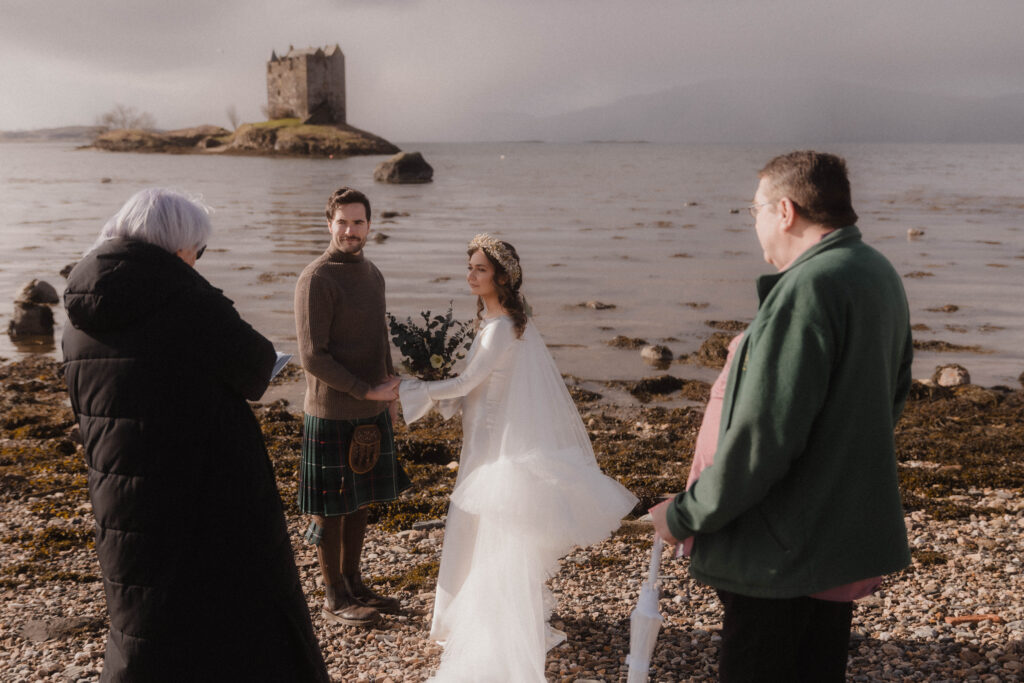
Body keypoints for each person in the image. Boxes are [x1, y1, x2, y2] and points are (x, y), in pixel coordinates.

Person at [650, 151, 914, 682]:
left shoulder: (809, 287)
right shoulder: (876, 271)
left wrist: (682, 515)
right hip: (831, 536)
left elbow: (764, 438)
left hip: (779, 551)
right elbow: (892, 396)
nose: (755, 225)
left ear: (785, 211)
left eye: (754, 212)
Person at [62, 188, 329, 682]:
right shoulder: (186, 299)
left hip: (119, 489)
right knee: (240, 612)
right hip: (204, 488)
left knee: (143, 615)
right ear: (178, 245)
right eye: (197, 250)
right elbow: (254, 368)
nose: (197, 259)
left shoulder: (80, 314)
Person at [399, 234, 638, 682]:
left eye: (480, 270)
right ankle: (461, 613)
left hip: (491, 443)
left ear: (503, 277)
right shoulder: (498, 323)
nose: (470, 275)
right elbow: (482, 385)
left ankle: (478, 620)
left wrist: (412, 391)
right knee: (473, 521)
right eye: (469, 267)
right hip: (483, 434)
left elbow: (468, 382)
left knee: (479, 522)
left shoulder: (501, 328)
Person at [294, 186, 410, 628]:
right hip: (331, 412)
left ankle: (355, 584)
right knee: (332, 507)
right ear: (329, 224)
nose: (350, 230)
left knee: (361, 502)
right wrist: (365, 391)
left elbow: (380, 340)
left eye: (358, 222)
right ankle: (333, 596)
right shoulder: (317, 278)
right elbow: (312, 356)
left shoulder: (372, 274)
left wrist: (389, 392)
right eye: (342, 222)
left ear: (369, 225)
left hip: (372, 406)